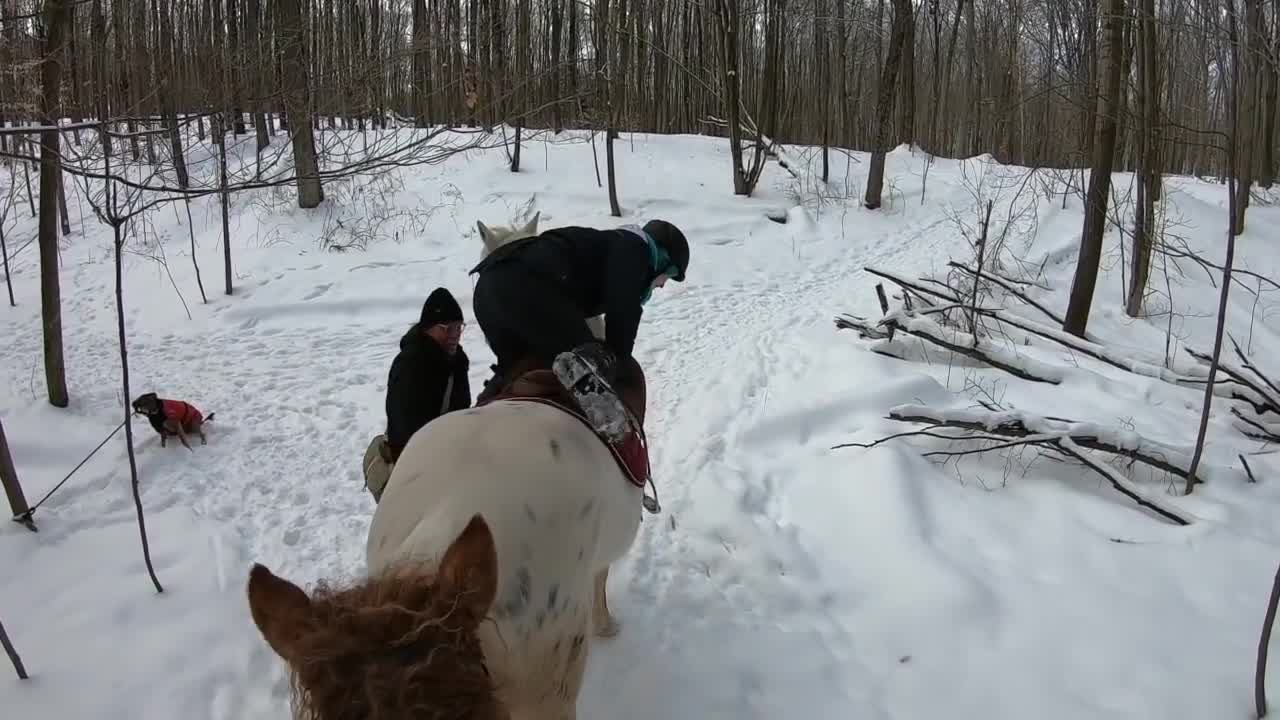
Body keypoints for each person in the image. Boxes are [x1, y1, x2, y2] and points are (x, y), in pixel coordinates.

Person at [468, 219, 689, 439]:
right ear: (662, 259)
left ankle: (482, 408)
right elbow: (623, 308)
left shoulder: (605, 245)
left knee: (516, 369)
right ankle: (614, 432)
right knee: (587, 362)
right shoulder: (635, 248)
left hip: (486, 293)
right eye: (668, 276)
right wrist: (617, 361)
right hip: (528, 285)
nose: (662, 285)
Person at [362, 287, 471, 501]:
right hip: (415, 467)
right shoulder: (411, 365)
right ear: (428, 328)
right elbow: (406, 428)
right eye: (447, 328)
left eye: (459, 327)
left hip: (446, 457)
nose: (455, 335)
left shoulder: (456, 361)